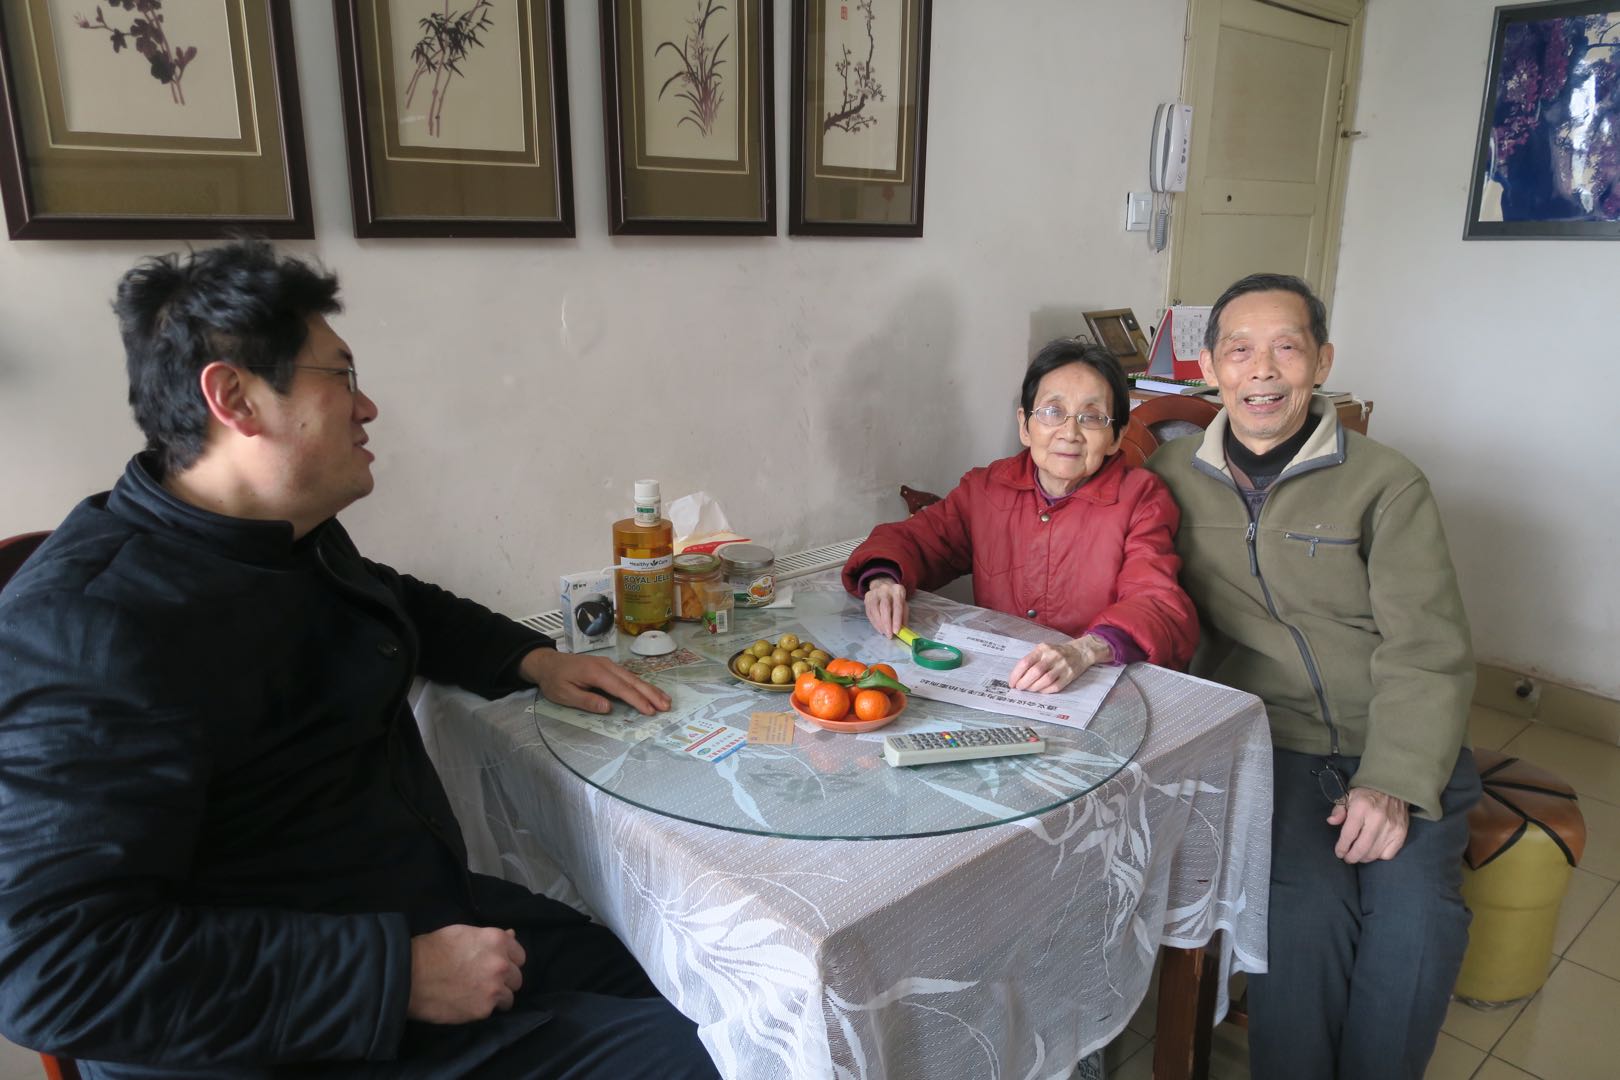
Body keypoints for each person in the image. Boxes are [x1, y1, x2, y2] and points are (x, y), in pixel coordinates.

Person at [0, 239, 717, 1080]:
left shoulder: (282, 533)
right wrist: (396, 977)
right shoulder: (84, 627)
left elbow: (394, 598)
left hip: (409, 909)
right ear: (235, 398)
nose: (367, 406)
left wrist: (529, 657)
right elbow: (52, 967)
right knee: (737, 1058)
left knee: (713, 981)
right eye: (340, 376)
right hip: (304, 1033)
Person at [1145, 273, 1480, 1079]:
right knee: (1300, 924)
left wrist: (1392, 780)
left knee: (1415, 924)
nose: (1262, 370)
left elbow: (1428, 646)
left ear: (1322, 361)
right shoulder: (1168, 477)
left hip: (1395, 738)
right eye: (1239, 350)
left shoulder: (1385, 482)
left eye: (1286, 348)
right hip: (1273, 745)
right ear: (1208, 367)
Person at [842, 339, 1198, 691]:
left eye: (1091, 417)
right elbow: (917, 539)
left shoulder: (1141, 499)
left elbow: (1156, 602)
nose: (1070, 433)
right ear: (1025, 426)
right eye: (1052, 412)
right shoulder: (988, 488)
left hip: (1095, 683)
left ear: (1116, 436)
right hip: (1003, 679)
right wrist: (882, 580)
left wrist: (1086, 650)